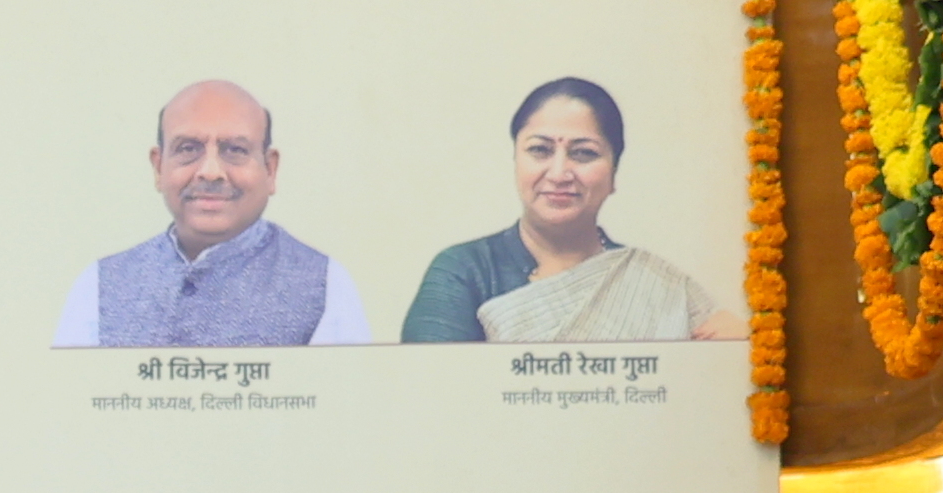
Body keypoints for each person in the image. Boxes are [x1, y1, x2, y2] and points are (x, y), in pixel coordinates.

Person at [398, 78, 741, 344]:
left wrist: (735, 352)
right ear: (516, 161)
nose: (560, 173)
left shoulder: (658, 287)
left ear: (614, 173)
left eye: (583, 153)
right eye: (540, 150)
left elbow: (697, 395)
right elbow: (432, 400)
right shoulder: (465, 271)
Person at [50, 79, 371, 349]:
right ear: (158, 167)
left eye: (235, 150)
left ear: (270, 169)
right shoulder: (99, 285)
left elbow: (339, 416)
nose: (211, 171)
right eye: (189, 149)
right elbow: (74, 411)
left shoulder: (326, 285)